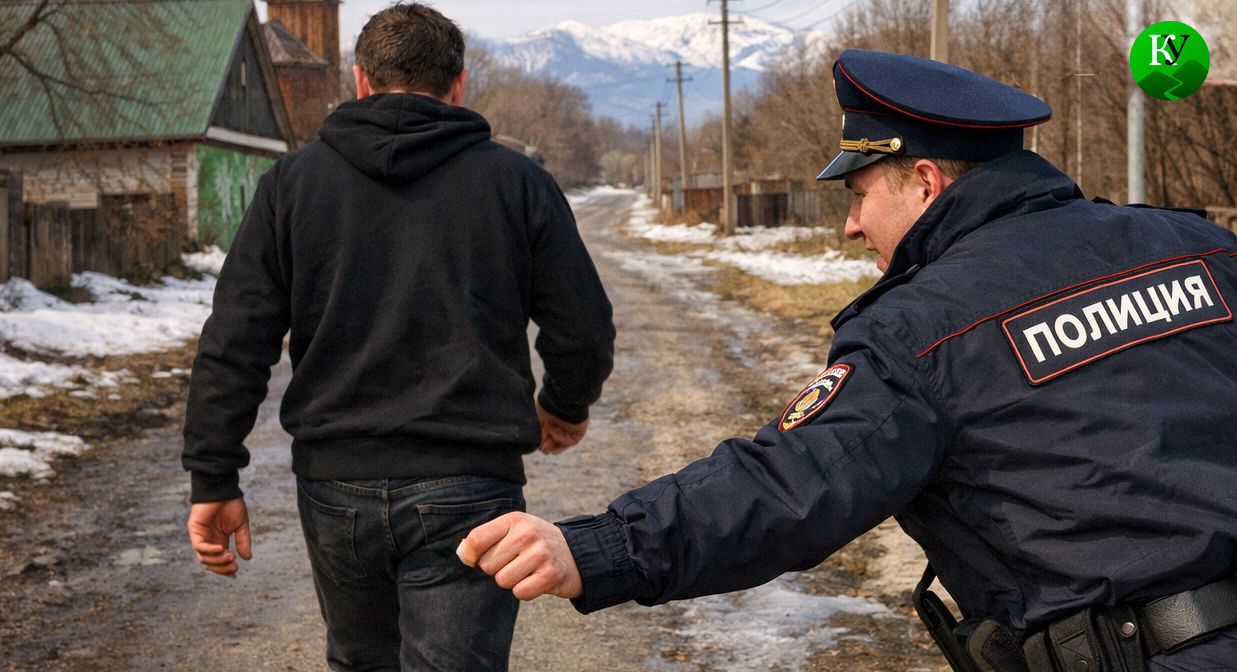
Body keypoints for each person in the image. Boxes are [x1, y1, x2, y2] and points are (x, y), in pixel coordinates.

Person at [457, 49, 1237, 672]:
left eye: (859, 194)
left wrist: (596, 549)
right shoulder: (1201, 249)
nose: (851, 226)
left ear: (925, 183)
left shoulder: (923, 328)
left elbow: (787, 484)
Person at [181, 4, 615, 671]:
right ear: (458, 85)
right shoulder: (516, 182)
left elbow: (235, 341)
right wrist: (563, 405)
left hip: (335, 484)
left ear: (360, 80)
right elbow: (581, 328)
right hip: (470, 486)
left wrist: (214, 476)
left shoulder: (291, 185)